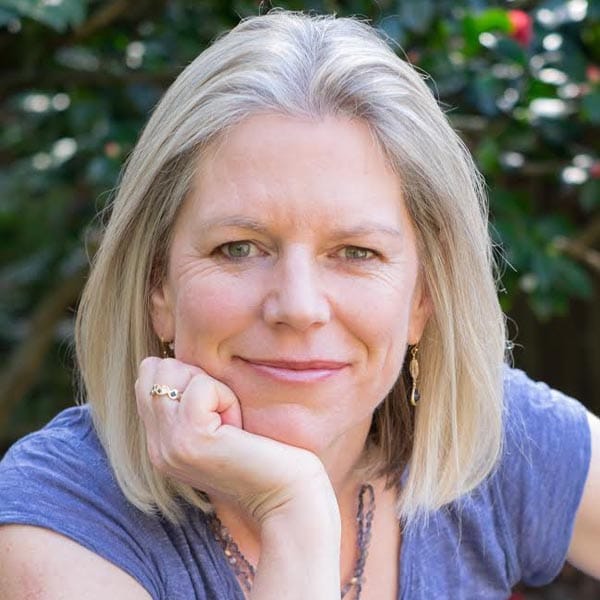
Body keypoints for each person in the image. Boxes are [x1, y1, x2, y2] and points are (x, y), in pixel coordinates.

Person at [0, 10, 598, 600]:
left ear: (423, 296)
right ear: (159, 287)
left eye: (356, 252)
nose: (299, 306)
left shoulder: (490, 434)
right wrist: (293, 511)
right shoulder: (54, 522)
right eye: (239, 248)